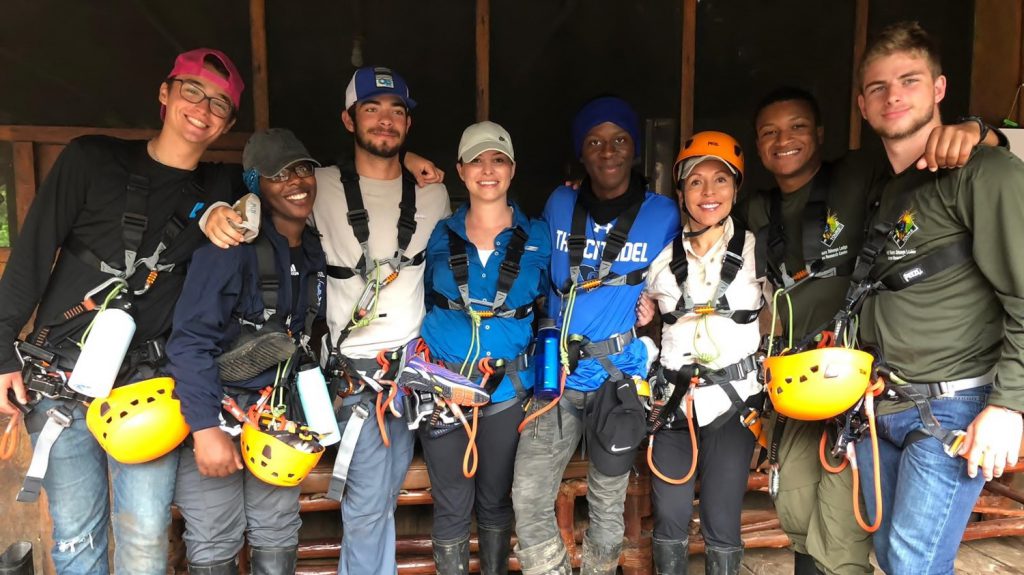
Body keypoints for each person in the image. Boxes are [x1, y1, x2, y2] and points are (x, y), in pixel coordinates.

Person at [0, 48, 245, 574]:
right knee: (74, 536)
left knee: (145, 538)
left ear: (229, 122)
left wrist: (406, 160)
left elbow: (293, 182)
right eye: (193, 91)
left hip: (148, 385)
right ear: (165, 92)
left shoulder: (222, 187)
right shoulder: (92, 159)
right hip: (62, 377)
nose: (203, 109)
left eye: (220, 104)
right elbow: (32, 253)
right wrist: (1, 350)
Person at [743, 85, 1004, 575]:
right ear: (758, 145)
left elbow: (932, 147)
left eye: (797, 126)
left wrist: (977, 129)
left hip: (857, 380)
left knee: (847, 529)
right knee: (796, 510)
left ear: (820, 133)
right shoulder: (760, 210)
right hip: (794, 379)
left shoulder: (861, 174)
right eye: (769, 132)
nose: (784, 140)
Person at [849, 22, 1024, 574]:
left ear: (940, 88)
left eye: (909, 80)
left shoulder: (986, 172)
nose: (893, 95)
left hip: (954, 405)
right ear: (862, 104)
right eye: (878, 87)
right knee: (891, 555)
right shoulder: (885, 186)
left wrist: (1009, 407)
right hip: (882, 406)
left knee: (911, 563)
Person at [511, 96, 679, 575]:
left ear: (635, 149)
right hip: (557, 378)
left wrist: (653, 319)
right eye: (596, 142)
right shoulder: (560, 202)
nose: (608, 152)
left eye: (620, 140)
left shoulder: (663, 213)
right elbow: (542, 275)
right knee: (528, 493)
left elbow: (679, 286)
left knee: (608, 504)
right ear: (581, 153)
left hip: (616, 379)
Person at [166, 128, 325, 574]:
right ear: (255, 184)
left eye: (302, 170)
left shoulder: (311, 249)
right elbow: (190, 341)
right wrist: (204, 429)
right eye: (278, 175)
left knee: (277, 529)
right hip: (217, 409)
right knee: (215, 535)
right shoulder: (230, 250)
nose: (296, 181)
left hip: (276, 413)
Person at [316, 66, 450, 575]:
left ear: (409, 124)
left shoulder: (432, 195)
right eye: (371, 109)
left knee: (384, 501)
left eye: (397, 111)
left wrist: (414, 164)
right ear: (348, 120)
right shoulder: (320, 186)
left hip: (416, 373)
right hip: (357, 376)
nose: (386, 120)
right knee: (370, 505)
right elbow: (258, 181)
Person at [418, 121, 550, 574]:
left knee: (495, 501)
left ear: (512, 170)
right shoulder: (436, 234)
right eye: (476, 160)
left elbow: (565, 301)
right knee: (452, 504)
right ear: (460, 169)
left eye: (498, 159)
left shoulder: (540, 238)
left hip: (508, 390)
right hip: (445, 387)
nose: (487, 169)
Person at [637, 131, 767, 574]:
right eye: (696, 181)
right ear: (680, 191)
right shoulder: (661, 257)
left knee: (721, 515)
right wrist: (643, 321)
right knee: (669, 516)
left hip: (734, 402)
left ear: (736, 188)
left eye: (720, 181)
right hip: (674, 401)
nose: (708, 193)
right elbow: (637, 308)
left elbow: (785, 313)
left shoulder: (758, 251)